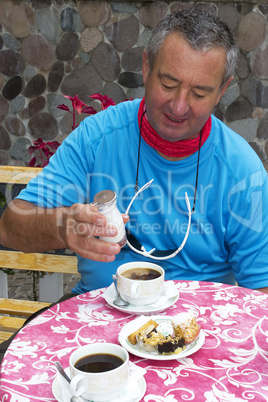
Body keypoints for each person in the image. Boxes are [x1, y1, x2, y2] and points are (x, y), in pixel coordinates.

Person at [1, 8, 268, 297]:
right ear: (146, 67)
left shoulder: (241, 169)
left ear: (222, 90)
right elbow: (11, 226)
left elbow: (261, 291)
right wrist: (62, 226)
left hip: (198, 328)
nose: (179, 107)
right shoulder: (97, 138)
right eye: (168, 84)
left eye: (199, 93)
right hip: (97, 320)